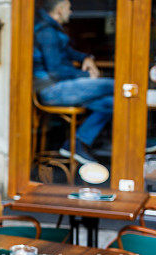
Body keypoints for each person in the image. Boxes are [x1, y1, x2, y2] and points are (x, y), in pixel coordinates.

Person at [34, 0, 113, 165]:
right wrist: (86, 75)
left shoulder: (52, 30)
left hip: (62, 88)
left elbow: (68, 52)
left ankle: (75, 144)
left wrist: (86, 57)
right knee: (117, 86)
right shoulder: (47, 32)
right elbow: (56, 71)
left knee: (110, 103)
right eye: (69, 8)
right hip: (52, 90)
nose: (71, 12)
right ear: (60, 9)